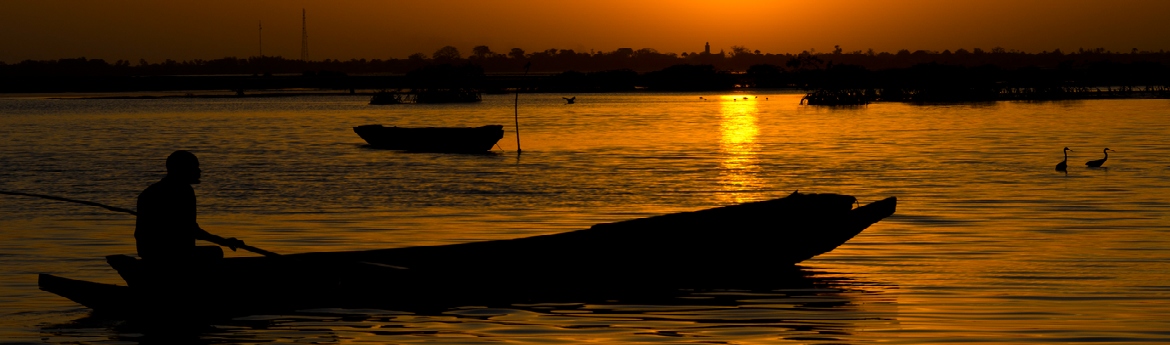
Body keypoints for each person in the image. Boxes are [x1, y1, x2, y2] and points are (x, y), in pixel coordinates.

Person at [135, 150, 244, 263]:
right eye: (195, 167)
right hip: (167, 253)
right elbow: (192, 229)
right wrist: (223, 242)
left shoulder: (149, 192)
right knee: (215, 252)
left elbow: (190, 228)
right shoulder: (183, 192)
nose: (199, 171)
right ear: (182, 169)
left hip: (148, 252)